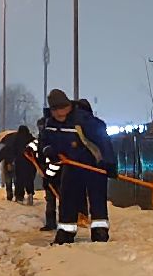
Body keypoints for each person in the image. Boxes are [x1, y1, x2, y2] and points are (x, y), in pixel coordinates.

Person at [38, 88, 116, 244]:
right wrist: (50, 151)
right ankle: (65, 232)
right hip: (71, 166)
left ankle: (100, 231)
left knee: (97, 198)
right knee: (67, 198)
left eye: (63, 108)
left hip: (93, 165)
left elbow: (103, 141)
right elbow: (44, 142)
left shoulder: (83, 120)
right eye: (55, 110)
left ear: (69, 105)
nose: (60, 113)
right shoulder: (50, 124)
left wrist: (110, 163)